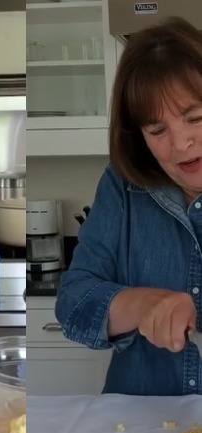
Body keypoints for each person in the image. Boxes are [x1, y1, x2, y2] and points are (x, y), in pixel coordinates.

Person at [55, 17, 202, 396]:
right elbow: (72, 301)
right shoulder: (123, 186)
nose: (182, 143)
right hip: (140, 418)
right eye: (158, 131)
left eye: (195, 118)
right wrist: (141, 304)